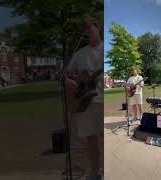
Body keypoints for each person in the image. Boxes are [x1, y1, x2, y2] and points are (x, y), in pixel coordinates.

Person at [65, 16, 103, 180]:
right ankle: (95, 172)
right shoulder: (80, 53)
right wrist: (68, 81)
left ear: (98, 28)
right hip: (87, 101)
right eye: (85, 30)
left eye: (90, 27)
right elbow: (65, 74)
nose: (88, 31)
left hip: (103, 99)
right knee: (91, 138)